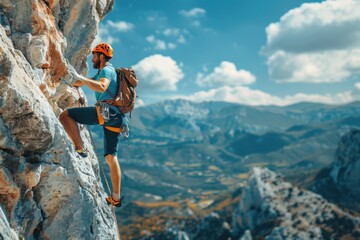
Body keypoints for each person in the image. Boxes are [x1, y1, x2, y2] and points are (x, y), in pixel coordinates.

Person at [59, 43, 125, 207]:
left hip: (106, 112)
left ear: (101, 56)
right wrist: (73, 79)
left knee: (65, 115)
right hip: (117, 117)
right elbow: (82, 83)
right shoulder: (104, 72)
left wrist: (82, 79)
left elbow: (102, 85)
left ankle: (80, 147)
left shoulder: (106, 71)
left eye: (94, 55)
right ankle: (115, 197)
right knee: (111, 157)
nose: (92, 58)